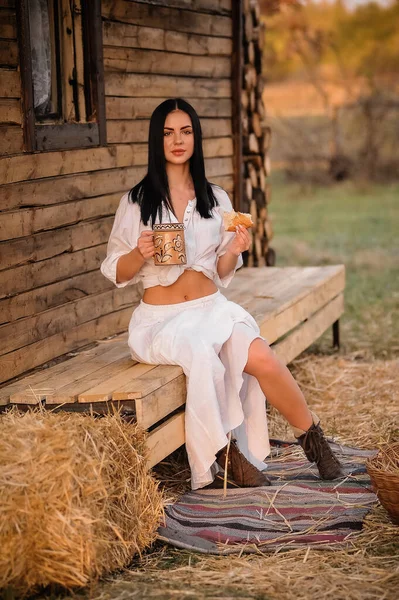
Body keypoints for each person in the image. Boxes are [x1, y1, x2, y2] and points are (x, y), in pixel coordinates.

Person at [101, 98, 343, 490]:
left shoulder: (216, 200)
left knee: (261, 356)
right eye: (167, 133)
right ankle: (223, 454)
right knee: (201, 352)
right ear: (155, 140)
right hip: (160, 323)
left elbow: (223, 270)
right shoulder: (136, 202)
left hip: (210, 308)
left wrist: (232, 251)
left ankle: (315, 443)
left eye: (185, 131)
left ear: (195, 138)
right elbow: (115, 271)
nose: (177, 140)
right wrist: (138, 253)